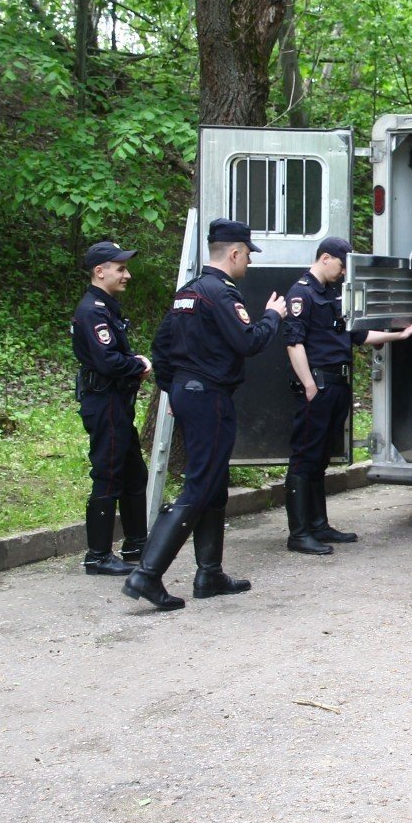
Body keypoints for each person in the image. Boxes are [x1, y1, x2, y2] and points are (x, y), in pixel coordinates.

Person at [122, 218, 287, 611]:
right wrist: (273, 316)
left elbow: (161, 348)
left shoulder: (188, 293)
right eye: (247, 254)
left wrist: (176, 389)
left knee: (213, 483)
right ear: (233, 253)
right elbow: (248, 341)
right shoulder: (221, 294)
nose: (248, 261)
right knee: (200, 484)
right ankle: (147, 574)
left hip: (191, 393)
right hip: (210, 396)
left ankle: (209, 573)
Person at [282, 236, 412, 554]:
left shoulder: (332, 294)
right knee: (304, 458)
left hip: (337, 385)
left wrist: (401, 334)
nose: (344, 273)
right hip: (317, 386)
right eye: (342, 266)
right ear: (326, 258)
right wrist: (309, 386)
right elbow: (294, 342)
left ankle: (318, 526)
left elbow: (357, 334)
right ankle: (299, 533)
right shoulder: (301, 293)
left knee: (318, 460)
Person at [70, 241, 152, 576]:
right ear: (99, 271)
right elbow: (107, 360)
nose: (127, 274)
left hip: (115, 401)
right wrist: (138, 364)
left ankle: (135, 542)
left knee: (133, 471)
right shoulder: (93, 310)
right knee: (109, 473)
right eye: (120, 268)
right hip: (104, 402)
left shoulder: (106, 306)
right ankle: (98, 555)